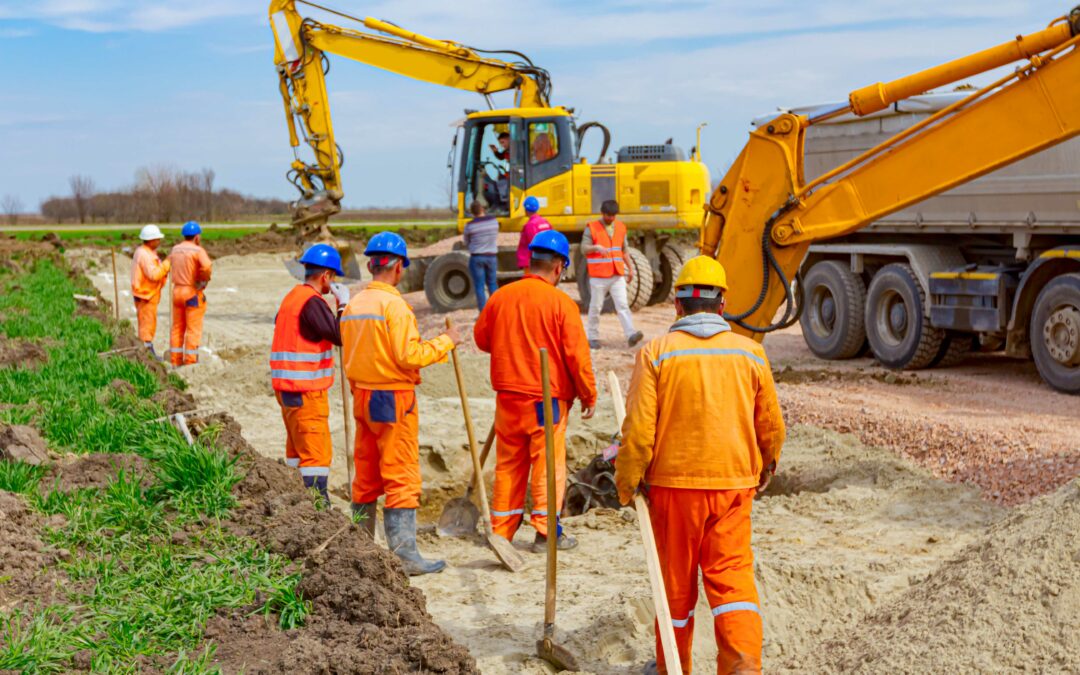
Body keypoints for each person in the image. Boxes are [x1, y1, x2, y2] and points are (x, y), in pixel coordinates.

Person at [614, 256, 786, 675]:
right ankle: (743, 667)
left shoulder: (656, 353)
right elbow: (772, 426)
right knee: (733, 584)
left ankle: (675, 667)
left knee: (674, 589)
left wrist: (627, 482)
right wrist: (767, 465)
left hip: (673, 491)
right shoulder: (751, 354)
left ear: (677, 305)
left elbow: (637, 432)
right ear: (722, 304)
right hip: (733, 487)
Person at [341, 231, 460, 575]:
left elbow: (350, 355)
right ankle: (404, 554)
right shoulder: (394, 306)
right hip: (392, 398)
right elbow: (409, 355)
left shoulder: (353, 305)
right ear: (398, 268)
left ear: (371, 264)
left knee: (365, 474)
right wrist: (445, 342)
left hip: (362, 396)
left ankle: (359, 549)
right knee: (401, 474)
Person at [474, 230, 597, 553]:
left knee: (509, 465)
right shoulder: (561, 303)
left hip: (508, 397)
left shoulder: (501, 296)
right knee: (547, 465)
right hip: (546, 400)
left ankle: (501, 532)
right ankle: (546, 533)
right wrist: (589, 394)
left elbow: (482, 339)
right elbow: (577, 357)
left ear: (531, 262)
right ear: (559, 267)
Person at [270, 244, 351, 506]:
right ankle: (316, 508)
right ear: (326, 275)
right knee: (316, 455)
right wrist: (343, 306)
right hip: (306, 391)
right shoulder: (312, 303)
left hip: (287, 389)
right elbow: (339, 335)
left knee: (296, 450)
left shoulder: (291, 297)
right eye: (333, 277)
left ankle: (295, 503)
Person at [582, 199, 644, 349]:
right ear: (603, 214)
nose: (611, 218)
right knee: (596, 307)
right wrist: (596, 247)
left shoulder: (621, 228)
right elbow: (583, 249)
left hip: (617, 274)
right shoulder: (592, 228)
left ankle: (630, 335)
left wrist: (631, 269)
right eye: (608, 215)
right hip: (598, 277)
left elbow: (624, 251)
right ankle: (592, 337)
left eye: (613, 215)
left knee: (623, 305)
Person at [168, 221, 212, 366]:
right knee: (193, 329)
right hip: (191, 292)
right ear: (197, 236)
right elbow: (206, 266)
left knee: (177, 328)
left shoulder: (175, 249)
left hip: (176, 292)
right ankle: (191, 361)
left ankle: (175, 360)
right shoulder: (198, 251)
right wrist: (202, 280)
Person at [130, 224, 171, 359]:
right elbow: (153, 274)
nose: (159, 242)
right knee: (146, 325)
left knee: (149, 323)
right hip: (145, 295)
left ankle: (147, 350)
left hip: (148, 294)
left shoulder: (146, 252)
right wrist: (167, 264)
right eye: (158, 239)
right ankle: (146, 354)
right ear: (151, 240)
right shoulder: (144, 254)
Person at [463, 201, 500, 312]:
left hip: (477, 257)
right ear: (482, 209)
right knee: (492, 284)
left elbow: (466, 242)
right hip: (492, 256)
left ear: (472, 212)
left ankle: (483, 314)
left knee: (479, 286)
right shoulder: (494, 222)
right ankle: (496, 310)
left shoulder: (469, 226)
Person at [516, 196, 551, 269]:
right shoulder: (545, 222)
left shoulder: (530, 225)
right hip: (544, 258)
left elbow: (533, 244)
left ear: (526, 209)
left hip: (531, 261)